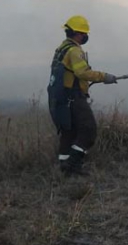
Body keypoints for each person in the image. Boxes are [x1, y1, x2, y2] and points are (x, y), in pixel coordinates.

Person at [47, 15, 118, 176]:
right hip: (74, 97)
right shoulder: (74, 51)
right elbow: (82, 73)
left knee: (69, 132)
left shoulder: (62, 48)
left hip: (61, 98)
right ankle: (72, 165)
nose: (85, 36)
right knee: (88, 131)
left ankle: (64, 167)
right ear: (77, 33)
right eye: (83, 33)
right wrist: (104, 77)